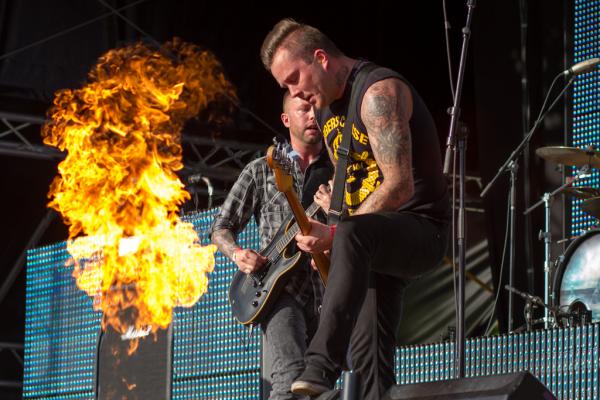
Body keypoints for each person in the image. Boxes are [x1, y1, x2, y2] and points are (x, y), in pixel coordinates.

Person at [260, 18, 451, 399]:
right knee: (369, 365)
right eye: (286, 88)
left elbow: (398, 184)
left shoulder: (378, 92)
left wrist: (337, 235)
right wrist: (330, 229)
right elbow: (351, 192)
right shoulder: (329, 112)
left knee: (351, 235)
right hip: (366, 239)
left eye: (295, 79)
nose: (295, 94)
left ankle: (320, 365)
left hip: (419, 229)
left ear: (321, 58)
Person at [210, 92, 333, 400]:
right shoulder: (261, 170)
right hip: (278, 290)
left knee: (320, 387)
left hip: (326, 290)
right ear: (286, 119)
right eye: (303, 109)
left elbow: (359, 230)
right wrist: (238, 254)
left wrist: (336, 215)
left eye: (316, 109)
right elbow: (221, 228)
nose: (312, 115)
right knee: (289, 376)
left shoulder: (338, 173)